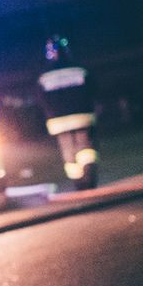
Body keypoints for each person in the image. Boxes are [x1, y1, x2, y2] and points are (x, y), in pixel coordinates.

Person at [37, 35, 99, 190]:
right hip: (82, 115)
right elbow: (93, 89)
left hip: (58, 120)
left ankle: (78, 183)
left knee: (67, 149)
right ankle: (89, 178)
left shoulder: (44, 76)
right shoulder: (79, 69)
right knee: (85, 147)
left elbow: (40, 98)